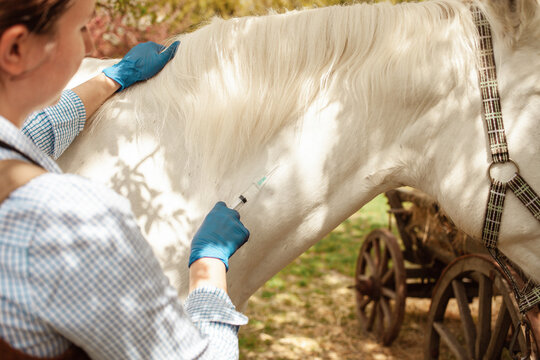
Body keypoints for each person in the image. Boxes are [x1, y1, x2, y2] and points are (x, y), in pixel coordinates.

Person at [0, 0, 250, 359]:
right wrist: (207, 269)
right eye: (79, 28)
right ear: (15, 49)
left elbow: (29, 135)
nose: (90, 46)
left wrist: (111, 78)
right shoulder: (67, 220)